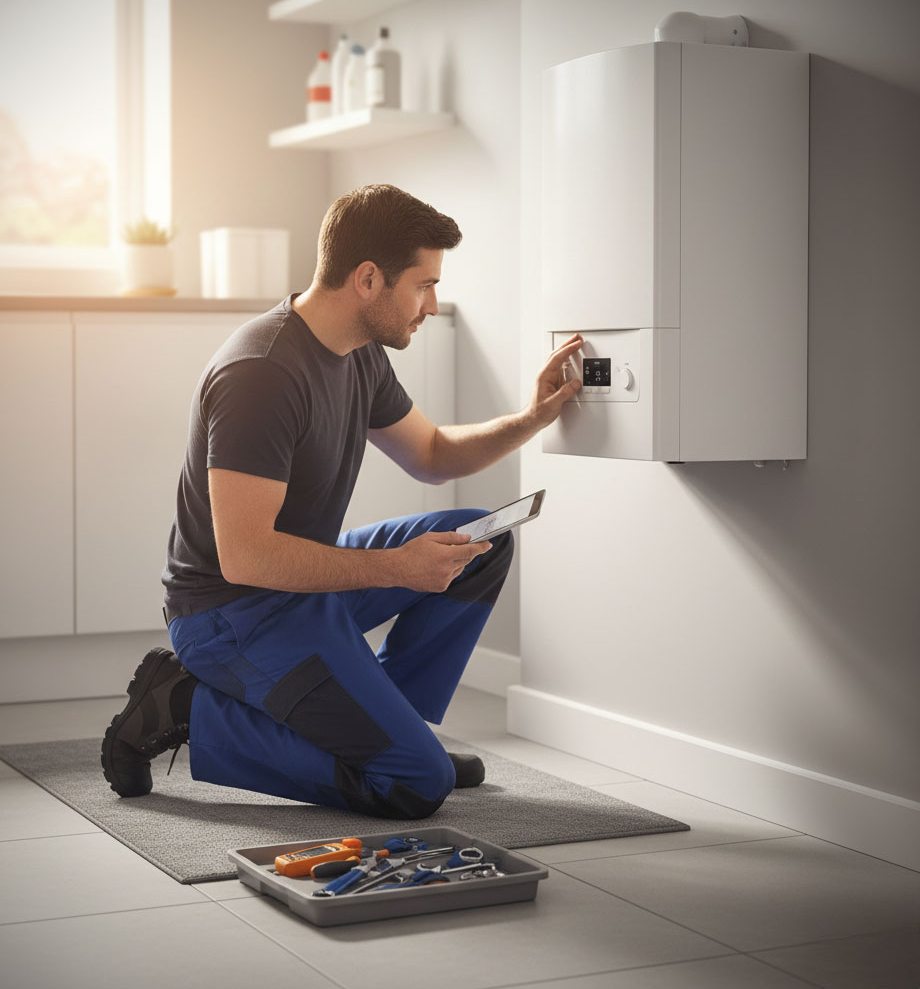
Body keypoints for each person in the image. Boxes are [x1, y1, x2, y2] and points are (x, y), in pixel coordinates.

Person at [101, 184, 583, 819]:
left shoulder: (358, 354)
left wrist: (533, 417)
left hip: (297, 586)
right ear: (367, 279)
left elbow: (433, 453)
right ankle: (187, 704)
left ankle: (390, 730)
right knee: (415, 786)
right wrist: (396, 566)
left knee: (481, 543)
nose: (432, 306)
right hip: (231, 612)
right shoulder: (263, 374)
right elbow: (245, 559)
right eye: (423, 284)